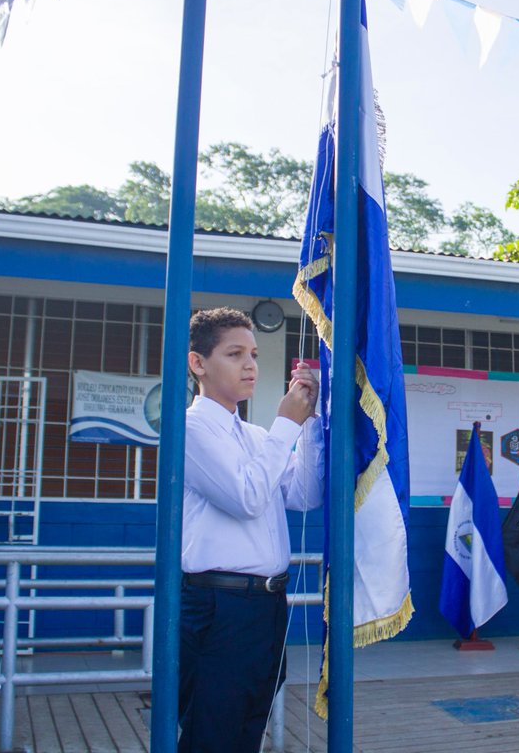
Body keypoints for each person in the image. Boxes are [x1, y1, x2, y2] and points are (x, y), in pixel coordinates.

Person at [178, 307, 323, 753]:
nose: (250, 366)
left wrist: (310, 424)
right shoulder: (190, 428)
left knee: (247, 727)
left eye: (254, 355)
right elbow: (246, 498)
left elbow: (306, 494)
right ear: (198, 363)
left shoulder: (258, 436)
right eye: (234, 354)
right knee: (214, 731)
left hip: (265, 602)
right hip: (221, 602)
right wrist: (287, 424)